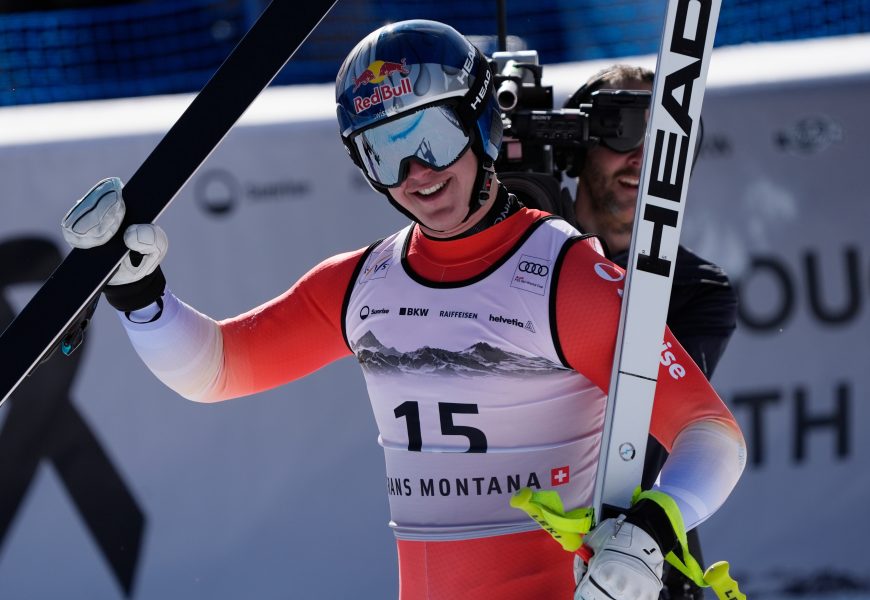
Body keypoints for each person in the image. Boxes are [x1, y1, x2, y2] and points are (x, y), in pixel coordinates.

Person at [61, 21, 745, 600]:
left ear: (479, 123)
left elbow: (711, 435)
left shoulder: (567, 278)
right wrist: (140, 295)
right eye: (385, 150)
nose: (417, 172)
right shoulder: (363, 283)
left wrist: (652, 531)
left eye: (434, 137)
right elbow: (215, 370)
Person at [562, 64, 739, 599]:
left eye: (663, 141)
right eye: (622, 130)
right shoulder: (523, 257)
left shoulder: (699, 290)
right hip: (522, 549)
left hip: (636, 565)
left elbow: (642, 427)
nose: (641, 157)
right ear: (578, 145)